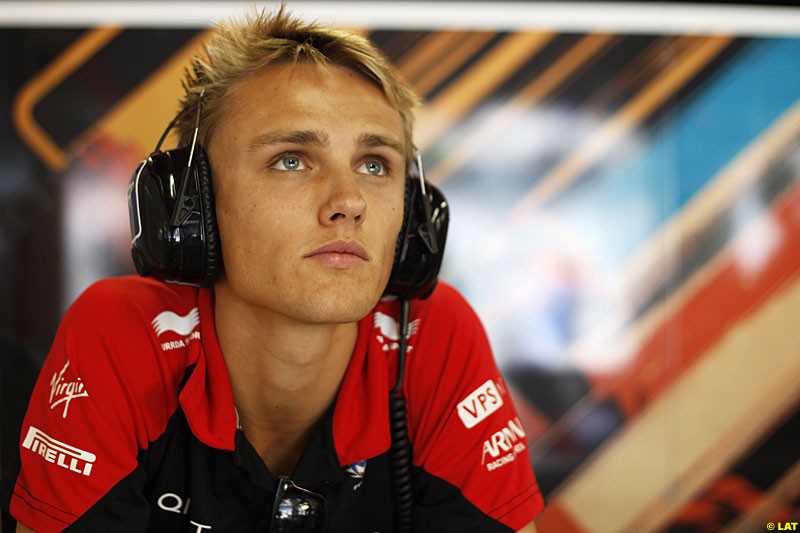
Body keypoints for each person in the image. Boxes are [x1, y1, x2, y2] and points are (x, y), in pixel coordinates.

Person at [8, 6, 544, 532]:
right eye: (291, 159)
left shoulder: (429, 335)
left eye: (375, 164)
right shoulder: (121, 332)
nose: (349, 201)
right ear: (195, 201)